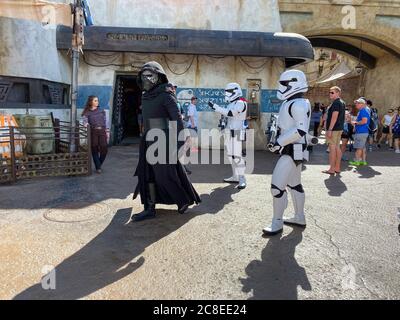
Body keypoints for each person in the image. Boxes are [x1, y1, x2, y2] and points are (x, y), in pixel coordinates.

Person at [132, 61, 201, 222]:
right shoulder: (145, 96)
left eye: (150, 76)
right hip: (147, 139)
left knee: (165, 175)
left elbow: (177, 119)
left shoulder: (166, 95)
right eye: (144, 76)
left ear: (158, 77)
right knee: (146, 174)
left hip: (162, 139)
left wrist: (181, 140)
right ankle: (149, 208)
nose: (146, 79)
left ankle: (182, 200)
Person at [262, 69, 311, 235]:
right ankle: (299, 216)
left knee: (277, 187)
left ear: (294, 84)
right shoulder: (295, 102)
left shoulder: (297, 104)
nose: (280, 87)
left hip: (292, 148)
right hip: (296, 148)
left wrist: (278, 142)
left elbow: (301, 129)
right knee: (295, 184)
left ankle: (277, 221)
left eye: (284, 83)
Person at [208, 83, 247, 189]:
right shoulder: (231, 103)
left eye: (229, 92)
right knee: (230, 156)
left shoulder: (241, 102)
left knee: (237, 156)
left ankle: (242, 178)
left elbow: (230, 114)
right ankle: (235, 176)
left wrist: (215, 107)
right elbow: (227, 117)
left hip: (237, 133)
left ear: (235, 91)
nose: (227, 94)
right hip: (229, 133)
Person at [82, 96, 109, 174]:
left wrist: (107, 131)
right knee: (94, 149)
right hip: (93, 131)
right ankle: (98, 167)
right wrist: (86, 124)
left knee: (104, 149)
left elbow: (106, 121)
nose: (97, 102)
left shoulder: (102, 110)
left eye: (97, 100)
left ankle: (98, 164)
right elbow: (84, 121)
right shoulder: (87, 112)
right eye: (95, 101)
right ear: (91, 102)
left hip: (102, 131)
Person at [323, 86, 346, 175]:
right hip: (338, 128)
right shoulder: (341, 102)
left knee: (332, 149)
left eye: (332, 92)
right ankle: (337, 168)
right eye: (330, 92)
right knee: (337, 148)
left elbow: (334, 116)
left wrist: (329, 129)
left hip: (334, 129)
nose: (330, 94)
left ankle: (332, 169)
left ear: (338, 93)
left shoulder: (336, 103)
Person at [349, 98, 371, 166]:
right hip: (363, 132)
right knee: (362, 147)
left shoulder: (363, 111)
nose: (356, 104)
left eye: (358, 103)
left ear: (362, 104)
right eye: (356, 103)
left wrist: (355, 123)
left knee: (359, 148)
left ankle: (357, 161)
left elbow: (364, 121)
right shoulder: (364, 110)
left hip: (361, 132)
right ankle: (363, 161)